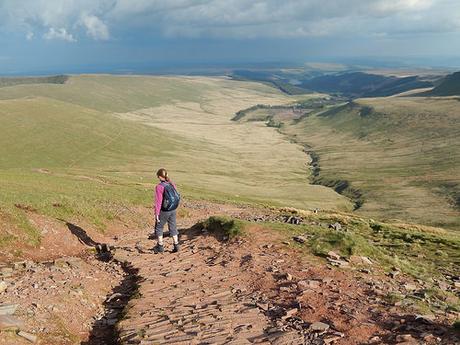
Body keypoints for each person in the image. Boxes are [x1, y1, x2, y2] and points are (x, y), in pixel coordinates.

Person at [153, 168, 180, 253]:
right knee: (173, 227)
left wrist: (157, 214)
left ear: (160, 177)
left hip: (164, 211)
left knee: (159, 227)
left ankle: (160, 247)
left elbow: (158, 201)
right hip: (173, 209)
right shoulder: (171, 183)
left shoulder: (159, 187)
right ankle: (176, 245)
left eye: (158, 177)